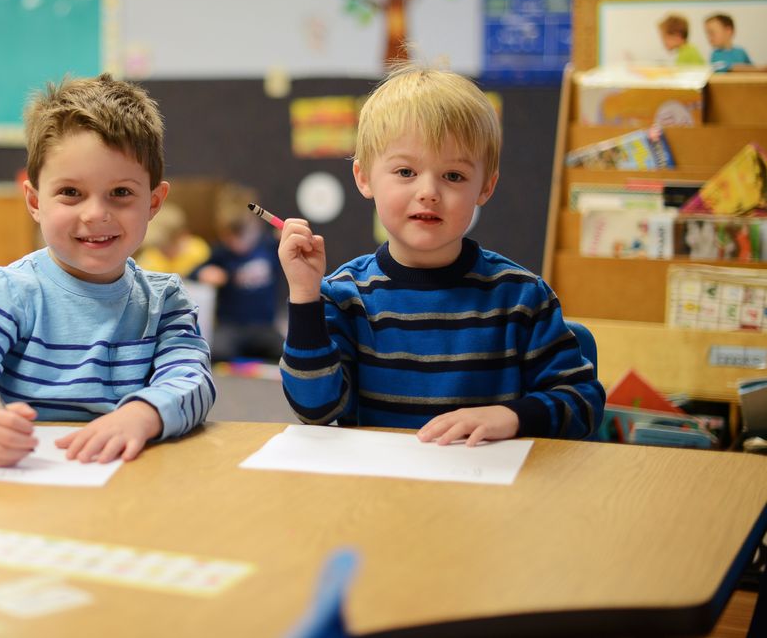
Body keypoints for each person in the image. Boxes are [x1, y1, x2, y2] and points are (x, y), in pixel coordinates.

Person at [277, 66, 606, 446]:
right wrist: (305, 295)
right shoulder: (344, 296)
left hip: (489, 493)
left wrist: (512, 416)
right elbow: (314, 409)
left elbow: (584, 404)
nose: (429, 191)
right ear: (364, 177)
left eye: (453, 176)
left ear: (486, 186)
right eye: (405, 171)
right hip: (378, 495)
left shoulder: (522, 297)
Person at [0, 73, 214, 467]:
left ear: (154, 202)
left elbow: (193, 381)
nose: (96, 214)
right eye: (71, 193)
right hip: (26, 481)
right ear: (35, 201)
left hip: (128, 483)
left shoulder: (165, 301)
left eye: (121, 193)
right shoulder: (10, 292)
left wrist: (141, 415)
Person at [193, 184, 284, 362]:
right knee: (216, 353)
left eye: (241, 235)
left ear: (257, 225)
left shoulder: (270, 246)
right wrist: (203, 273)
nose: (236, 244)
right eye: (228, 237)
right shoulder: (221, 253)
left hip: (264, 326)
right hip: (231, 327)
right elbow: (193, 273)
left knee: (289, 355)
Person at [135, 202, 210, 276]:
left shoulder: (197, 250)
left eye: (166, 247)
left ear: (182, 236)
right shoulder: (150, 257)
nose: (163, 252)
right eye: (159, 248)